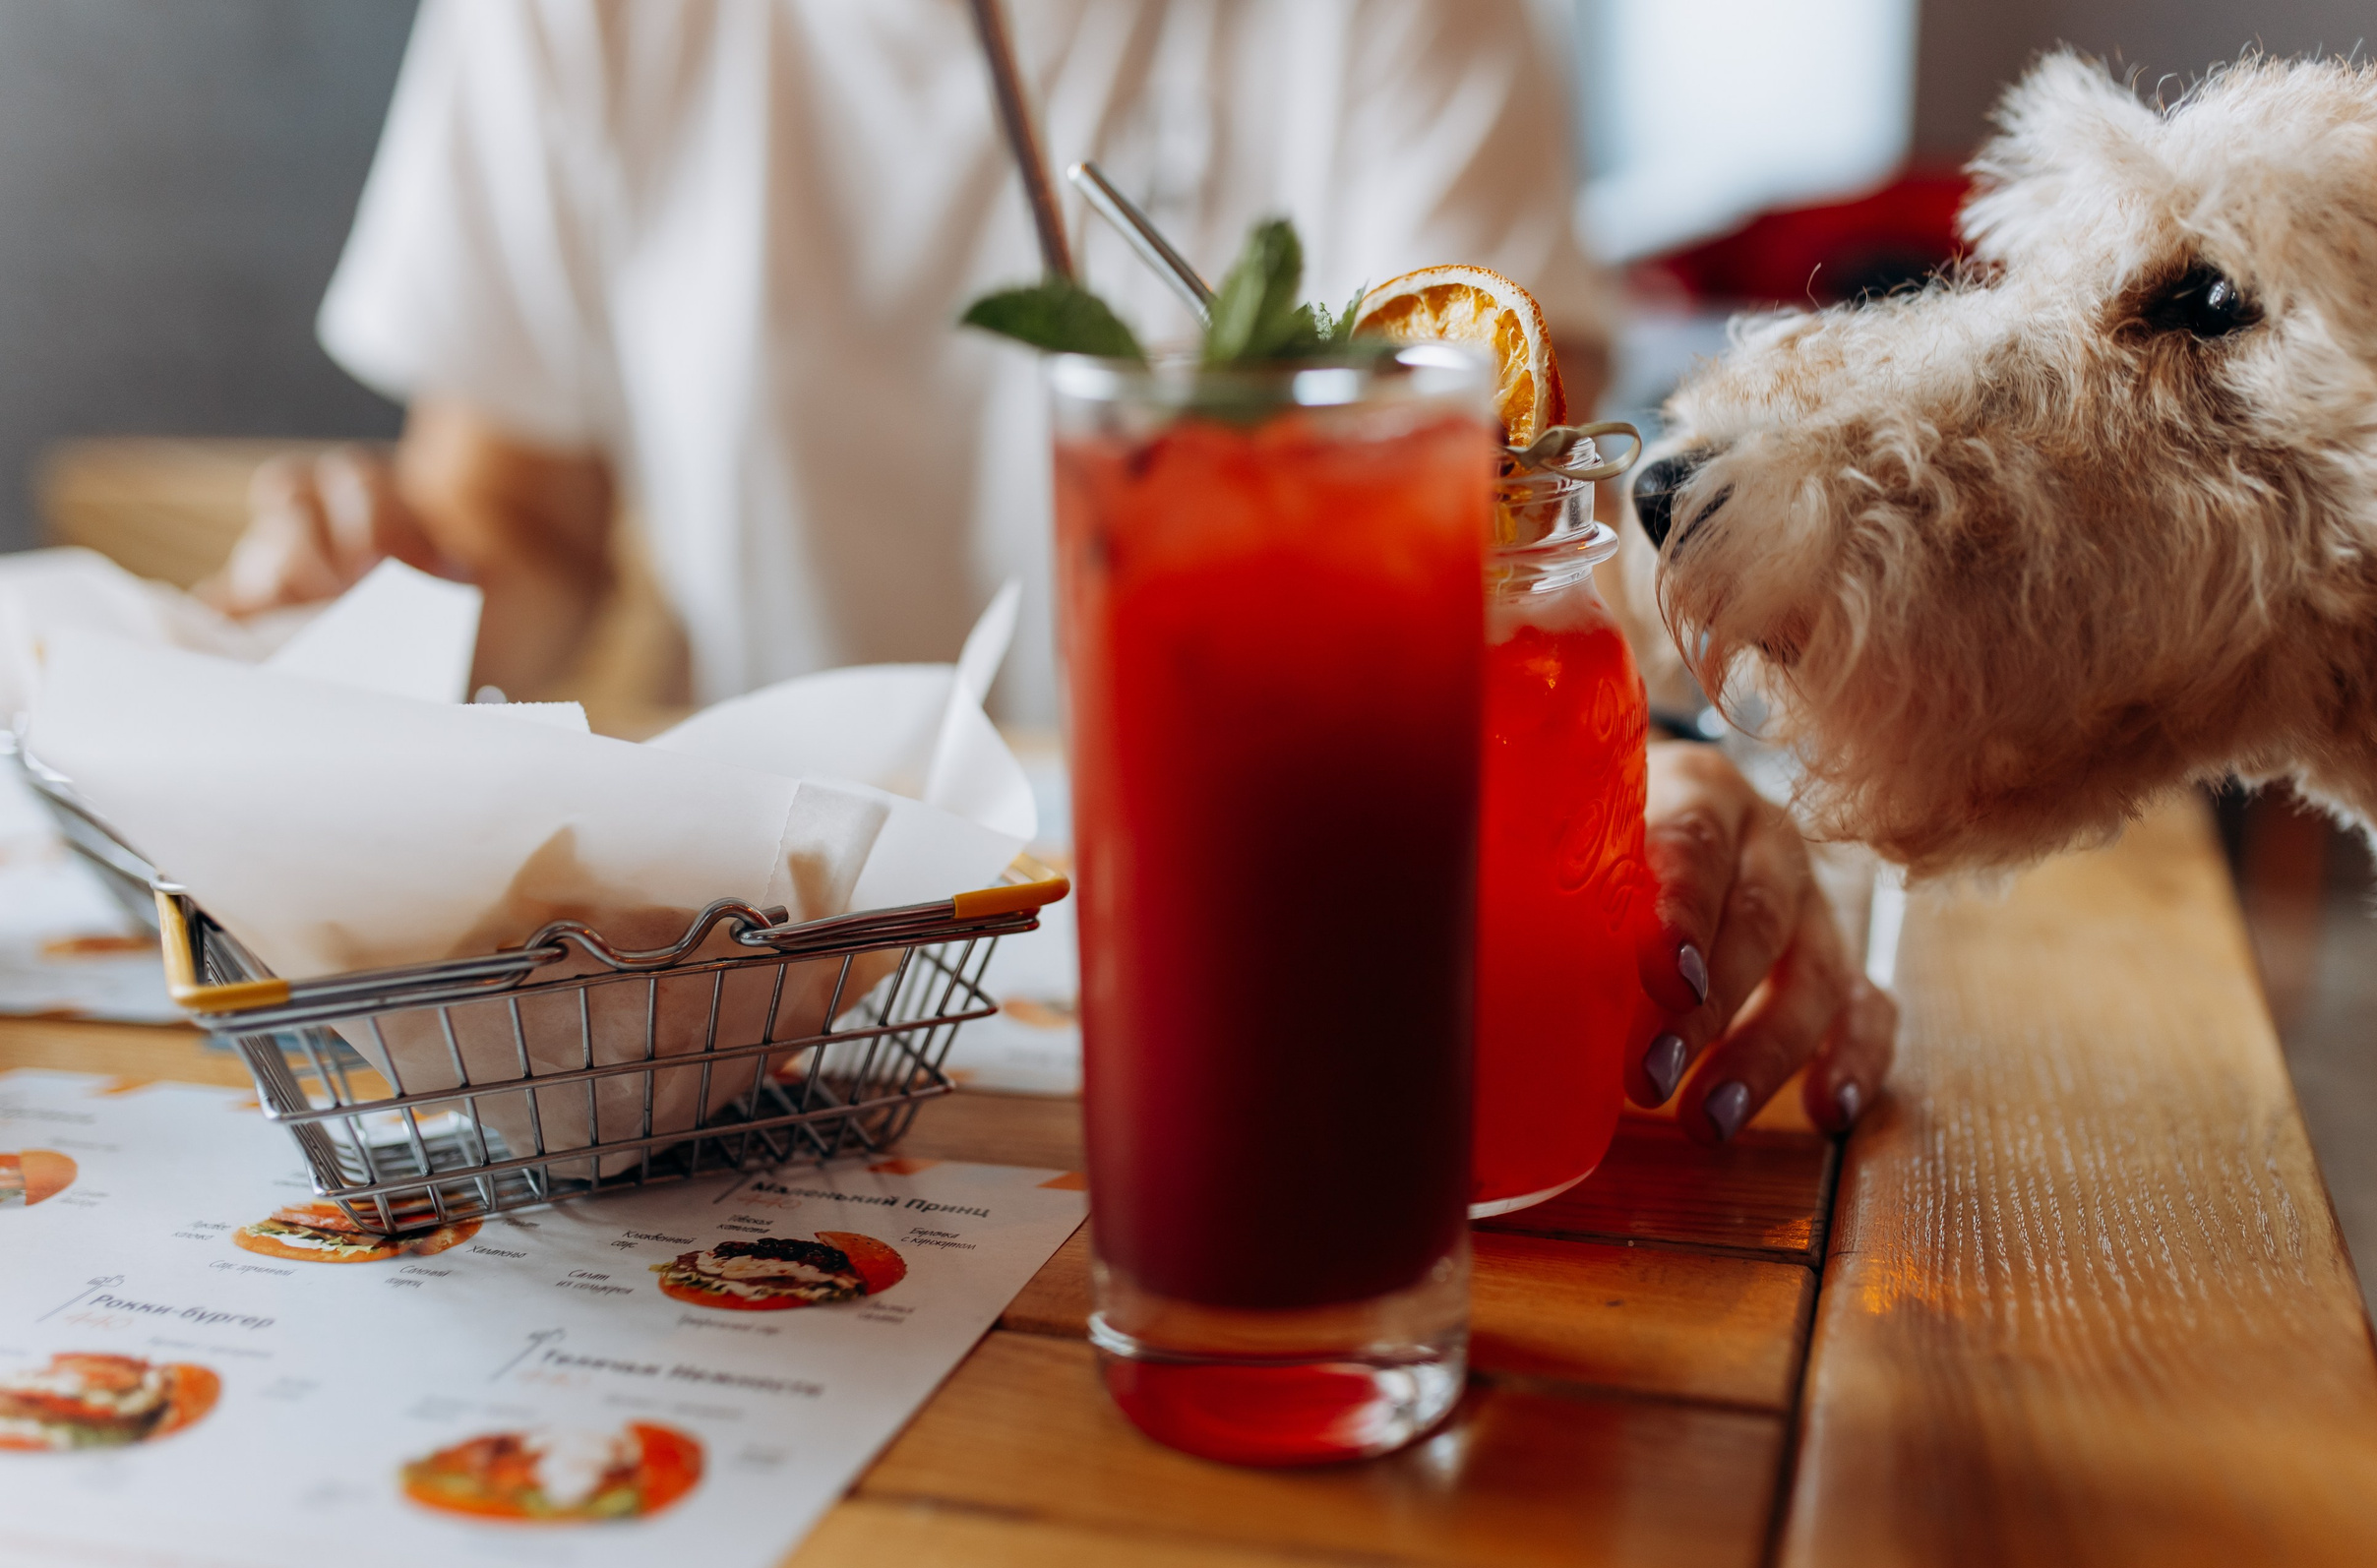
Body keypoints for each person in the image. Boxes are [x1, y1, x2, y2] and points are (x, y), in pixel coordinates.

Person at [202, 0, 1892, 1138]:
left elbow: (1503, 546)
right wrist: (384, 588)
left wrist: (1609, 812)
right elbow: (521, 523)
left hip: (1264, 1021)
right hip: (753, 1026)